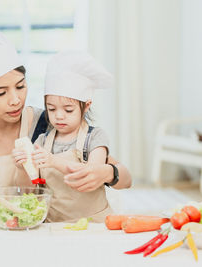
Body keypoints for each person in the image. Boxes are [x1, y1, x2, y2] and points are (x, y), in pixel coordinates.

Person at [0, 21, 131, 222]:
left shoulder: (52, 123)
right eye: (1, 93)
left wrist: (107, 173)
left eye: (20, 87)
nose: (15, 100)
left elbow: (125, 179)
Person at [13, 51, 129, 222]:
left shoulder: (95, 137)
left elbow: (91, 173)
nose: (59, 116)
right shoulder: (42, 141)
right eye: (51, 109)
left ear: (87, 105)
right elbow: (29, 189)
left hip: (94, 224)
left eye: (68, 109)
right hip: (54, 225)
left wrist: (53, 161)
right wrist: (22, 167)